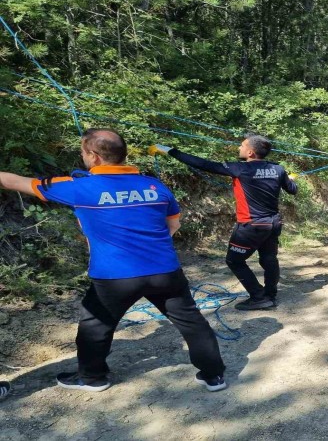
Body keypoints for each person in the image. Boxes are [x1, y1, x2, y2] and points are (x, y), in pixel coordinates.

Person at [0, 129, 227, 392]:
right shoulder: (154, 185)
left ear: (93, 156)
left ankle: (93, 378)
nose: (83, 157)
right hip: (165, 270)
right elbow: (173, 224)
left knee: (95, 326)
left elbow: (13, 181)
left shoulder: (78, 187)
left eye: (84, 153)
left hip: (114, 276)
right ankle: (214, 376)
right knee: (191, 322)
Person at [150, 134, 297, 311]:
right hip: (273, 224)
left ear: (250, 152)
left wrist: (170, 151)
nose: (239, 148)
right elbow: (292, 190)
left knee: (234, 261)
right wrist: (290, 179)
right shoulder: (278, 169)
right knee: (269, 258)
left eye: (242, 146)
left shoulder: (239, 168)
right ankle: (270, 295)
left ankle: (259, 297)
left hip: (251, 226)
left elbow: (203, 164)